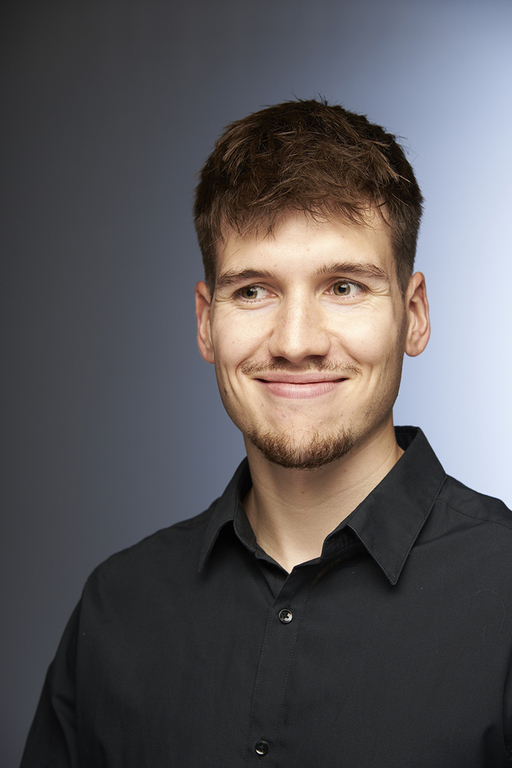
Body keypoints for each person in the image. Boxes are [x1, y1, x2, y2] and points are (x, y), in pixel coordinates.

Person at [21, 99, 512, 767]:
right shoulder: (117, 610)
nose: (296, 342)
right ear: (206, 322)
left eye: (344, 286)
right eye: (253, 290)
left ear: (415, 315)